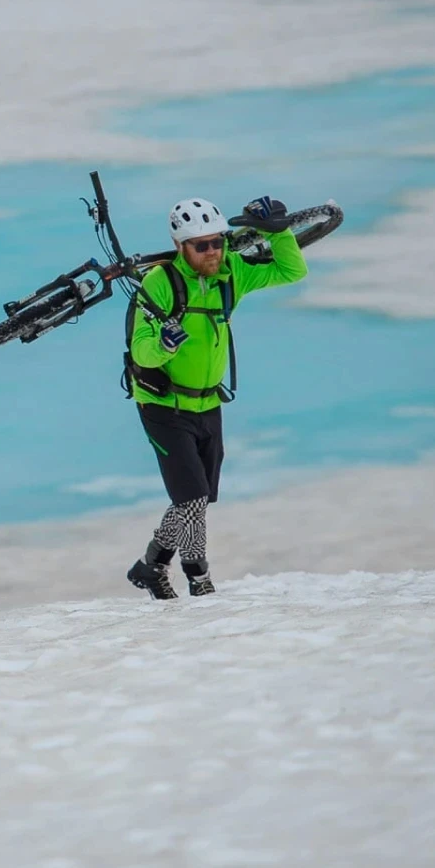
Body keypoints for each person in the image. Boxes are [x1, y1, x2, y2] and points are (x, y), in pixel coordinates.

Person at [123, 196, 306, 599]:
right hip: (163, 406)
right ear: (180, 246)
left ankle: (150, 565)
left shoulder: (231, 273)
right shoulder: (160, 283)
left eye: (218, 242)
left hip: (208, 404)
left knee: (198, 498)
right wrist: (165, 345)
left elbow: (292, 270)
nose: (213, 252)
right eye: (201, 245)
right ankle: (199, 578)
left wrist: (280, 232)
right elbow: (141, 350)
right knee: (191, 497)